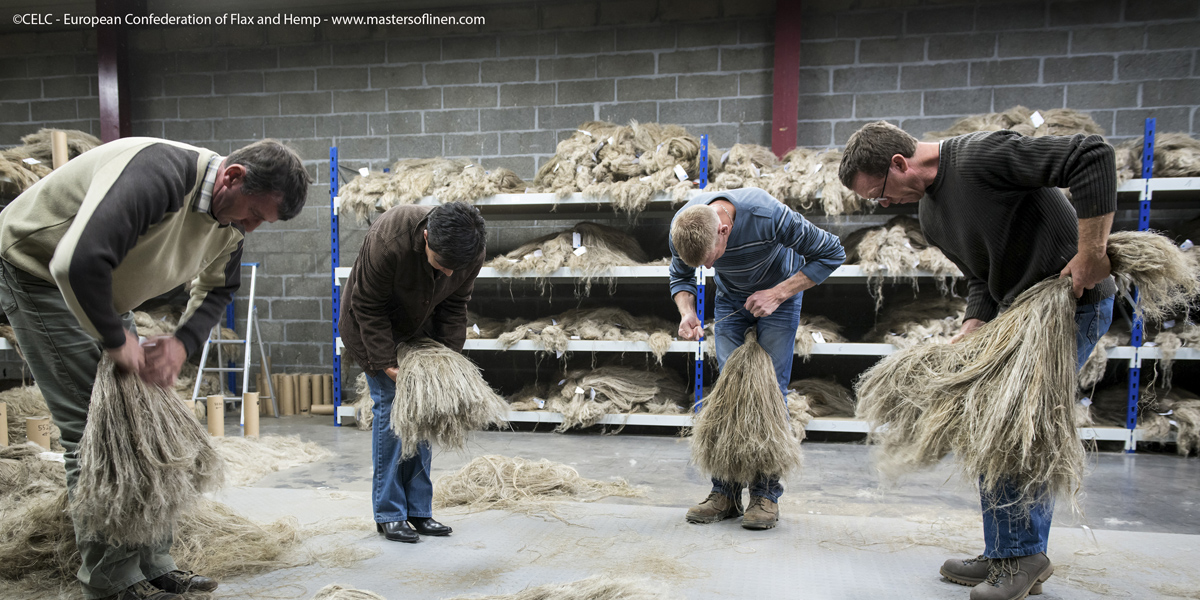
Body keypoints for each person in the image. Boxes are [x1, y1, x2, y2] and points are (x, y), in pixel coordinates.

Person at [0, 137, 310, 600]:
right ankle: (112, 580)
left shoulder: (231, 223)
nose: (250, 228)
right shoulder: (160, 173)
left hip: (100, 285)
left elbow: (219, 289)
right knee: (97, 431)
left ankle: (153, 564)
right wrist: (114, 337)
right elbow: (74, 261)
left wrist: (183, 344)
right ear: (233, 176)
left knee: (145, 428)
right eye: (253, 215)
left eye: (262, 223)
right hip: (40, 273)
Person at [839, 120, 1117, 600]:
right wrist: (972, 325)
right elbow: (979, 275)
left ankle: (1022, 555)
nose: (884, 206)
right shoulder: (930, 215)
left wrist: (1091, 252)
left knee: (1016, 426)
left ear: (899, 164)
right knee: (987, 423)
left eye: (880, 194)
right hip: (1016, 316)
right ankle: (1004, 548)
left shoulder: (980, 156)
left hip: (1070, 305)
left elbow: (1091, 155)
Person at [668, 187, 845, 530]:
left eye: (710, 258)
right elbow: (681, 275)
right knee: (727, 394)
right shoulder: (683, 226)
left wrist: (778, 294)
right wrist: (686, 311)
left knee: (768, 393)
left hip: (779, 299)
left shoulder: (768, 215)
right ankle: (725, 492)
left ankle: (765, 495)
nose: (708, 267)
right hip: (731, 301)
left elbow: (832, 252)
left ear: (723, 229)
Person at [338, 201, 486, 544]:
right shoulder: (389, 238)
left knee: (425, 410)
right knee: (392, 407)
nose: (448, 274)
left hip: (421, 328)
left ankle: (419, 510)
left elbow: (454, 306)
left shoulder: (469, 251)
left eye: (455, 268)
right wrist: (387, 363)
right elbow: (367, 307)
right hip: (372, 329)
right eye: (441, 264)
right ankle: (390, 513)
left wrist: (446, 363)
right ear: (425, 238)